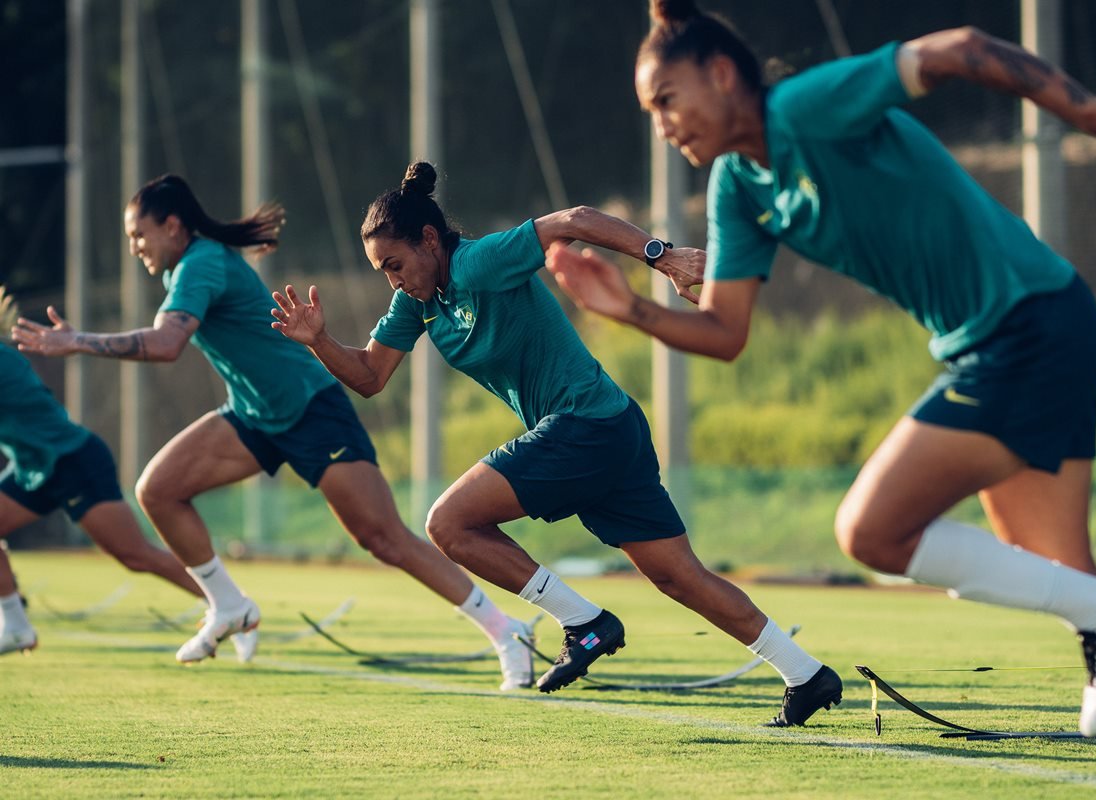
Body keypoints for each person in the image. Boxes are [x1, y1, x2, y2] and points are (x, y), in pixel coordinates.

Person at [545, 1, 1096, 789]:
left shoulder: (807, 108)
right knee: (1066, 575)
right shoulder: (738, 188)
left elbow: (959, 47)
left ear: (721, 75)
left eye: (667, 100)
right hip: (1004, 341)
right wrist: (628, 309)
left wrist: (1092, 114)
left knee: (873, 531)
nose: (663, 126)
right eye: (651, 112)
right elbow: (726, 331)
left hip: (1030, 326)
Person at [269, 160, 843, 726]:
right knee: (676, 576)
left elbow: (574, 219)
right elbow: (370, 377)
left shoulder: (478, 262)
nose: (391, 279)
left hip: (586, 423)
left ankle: (584, 622)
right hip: (605, 428)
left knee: (448, 523)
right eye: (381, 271)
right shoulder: (417, 304)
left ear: (428, 239)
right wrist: (318, 340)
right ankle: (807, 674)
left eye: (394, 264)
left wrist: (662, 257)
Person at [12, 175, 533, 689]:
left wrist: (78, 341)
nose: (135, 248)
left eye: (139, 235)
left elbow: (168, 343)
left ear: (173, 226)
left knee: (384, 538)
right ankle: (230, 606)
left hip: (310, 408)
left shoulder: (202, 262)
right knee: (159, 490)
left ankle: (506, 630)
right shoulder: (185, 271)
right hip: (254, 415)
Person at [0, 290, 204, 655]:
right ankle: (15, 625)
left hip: (75, 462)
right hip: (33, 468)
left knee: (136, 555)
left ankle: (227, 602)